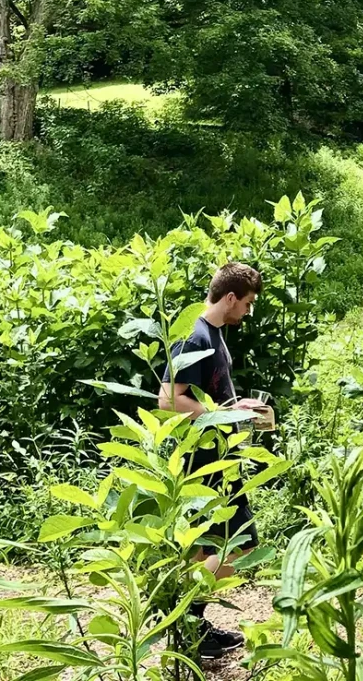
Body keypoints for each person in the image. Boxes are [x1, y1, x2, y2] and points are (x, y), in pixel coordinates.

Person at [158, 262, 267, 659]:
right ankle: (187, 620)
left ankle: (190, 627)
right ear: (231, 297)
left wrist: (238, 407)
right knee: (238, 545)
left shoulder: (214, 334)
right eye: (248, 303)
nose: (249, 312)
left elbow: (206, 395)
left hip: (217, 455)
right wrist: (226, 418)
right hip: (204, 459)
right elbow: (169, 400)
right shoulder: (194, 336)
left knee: (203, 548)